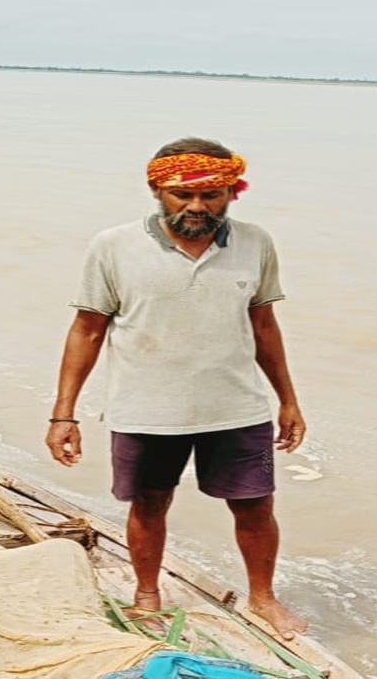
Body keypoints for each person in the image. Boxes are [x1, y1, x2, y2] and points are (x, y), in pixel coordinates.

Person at [44, 137, 310, 640]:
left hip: (236, 407)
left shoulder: (256, 243)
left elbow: (265, 325)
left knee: (256, 506)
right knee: (149, 503)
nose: (197, 206)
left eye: (212, 195)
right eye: (181, 195)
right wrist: (63, 414)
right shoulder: (113, 246)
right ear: (155, 190)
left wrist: (288, 401)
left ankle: (263, 597)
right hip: (146, 409)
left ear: (233, 192)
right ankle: (147, 593)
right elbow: (87, 330)